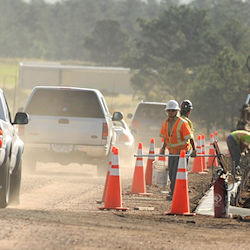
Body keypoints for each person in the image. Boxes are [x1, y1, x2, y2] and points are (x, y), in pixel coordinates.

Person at [160, 100, 193, 200]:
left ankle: (174, 193)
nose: (171, 113)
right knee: (171, 172)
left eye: (173, 111)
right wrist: (163, 148)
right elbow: (166, 137)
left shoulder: (182, 123)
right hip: (172, 152)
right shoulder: (165, 123)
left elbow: (190, 137)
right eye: (169, 111)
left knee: (177, 173)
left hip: (182, 152)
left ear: (177, 111)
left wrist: (194, 150)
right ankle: (174, 191)